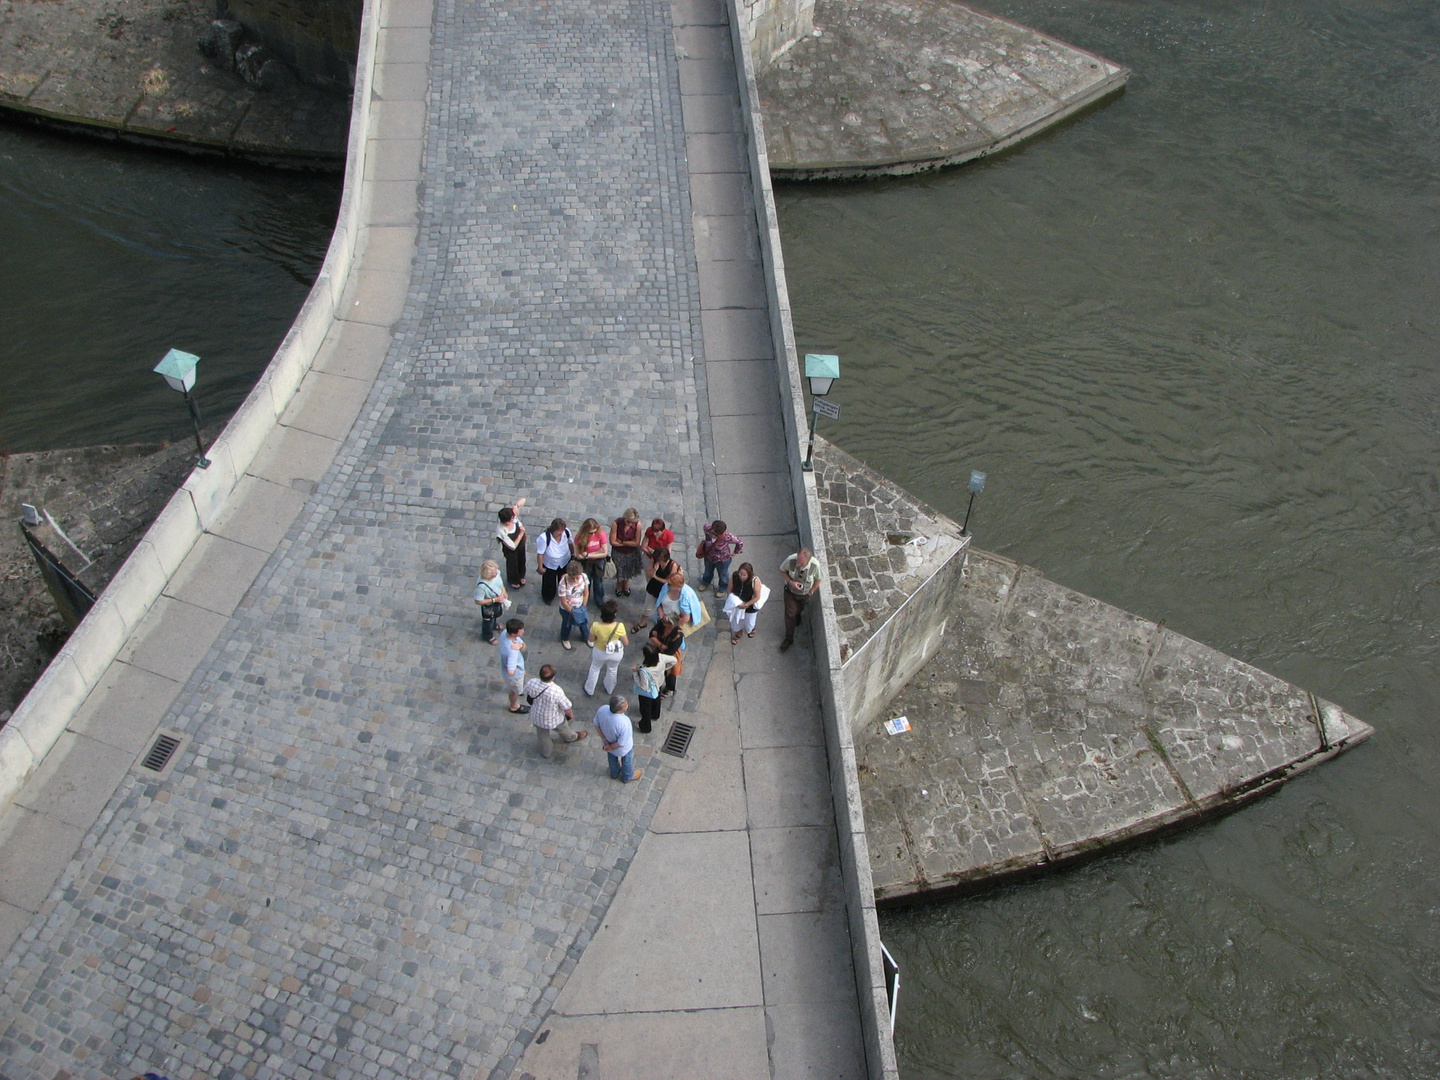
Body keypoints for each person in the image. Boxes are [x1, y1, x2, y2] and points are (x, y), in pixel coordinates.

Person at [525, 664, 587, 757]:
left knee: (542, 735)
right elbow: (566, 706)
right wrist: (570, 715)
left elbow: (526, 692)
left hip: (536, 716)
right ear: (553, 677)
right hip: (553, 718)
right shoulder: (556, 691)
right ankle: (571, 737)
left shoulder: (532, 682)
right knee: (563, 728)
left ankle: (546, 752)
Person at [778, 547, 825, 652]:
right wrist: (791, 582)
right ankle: (789, 638)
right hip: (790, 592)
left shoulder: (815, 565)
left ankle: (798, 615)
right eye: (798, 561)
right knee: (790, 614)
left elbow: (819, 578)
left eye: (802, 563)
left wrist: (812, 591)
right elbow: (782, 570)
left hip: (804, 594)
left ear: (808, 561)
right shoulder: (791, 560)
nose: (799, 564)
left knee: (799, 609)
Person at [593, 695, 642, 783]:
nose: (627, 706)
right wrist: (611, 747)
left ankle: (614, 773)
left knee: (612, 758)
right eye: (625, 706)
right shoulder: (624, 722)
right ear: (618, 710)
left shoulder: (603, 709)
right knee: (627, 760)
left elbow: (596, 724)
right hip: (622, 748)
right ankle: (627, 776)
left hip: (607, 743)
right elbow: (620, 743)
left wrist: (605, 741)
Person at [585, 600, 629, 696]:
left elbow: (591, 639)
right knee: (612, 670)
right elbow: (626, 642)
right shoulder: (620, 626)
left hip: (600, 651)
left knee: (595, 669)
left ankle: (590, 689)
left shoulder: (596, 626)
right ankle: (609, 689)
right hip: (615, 653)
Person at [632, 645, 676, 733]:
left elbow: (644, 686)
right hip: (659, 683)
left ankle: (645, 726)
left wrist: (635, 673)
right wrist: (665, 668)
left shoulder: (645, 670)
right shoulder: (661, 658)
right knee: (656, 699)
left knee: (645, 709)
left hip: (648, 692)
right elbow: (674, 660)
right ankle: (655, 714)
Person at [697, 519, 743, 598]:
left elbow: (740, 542)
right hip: (709, 557)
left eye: (717, 535)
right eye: (713, 533)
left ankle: (723, 588)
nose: (714, 536)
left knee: (723, 575)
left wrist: (735, 552)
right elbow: (705, 525)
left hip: (722, 560)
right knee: (707, 571)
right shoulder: (707, 528)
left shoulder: (727, 537)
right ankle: (705, 582)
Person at [637, 545, 679, 630]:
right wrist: (654, 570)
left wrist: (656, 577)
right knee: (648, 608)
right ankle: (642, 623)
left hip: (665, 590)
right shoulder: (654, 560)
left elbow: (670, 581)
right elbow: (649, 574)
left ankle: (662, 626)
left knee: (664, 610)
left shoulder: (672, 565)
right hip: (653, 588)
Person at [723, 562, 766, 645]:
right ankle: (739, 632)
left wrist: (746, 605)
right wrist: (734, 601)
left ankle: (751, 629)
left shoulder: (754, 580)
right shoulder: (735, 576)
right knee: (736, 621)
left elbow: (757, 597)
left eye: (744, 575)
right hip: (737, 604)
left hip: (750, 606)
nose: (741, 577)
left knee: (749, 623)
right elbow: (729, 590)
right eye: (740, 574)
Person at [535, 519, 574, 604]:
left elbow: (570, 543)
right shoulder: (544, 538)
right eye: (558, 531)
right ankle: (548, 597)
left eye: (562, 530)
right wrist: (540, 567)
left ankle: (564, 593)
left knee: (564, 579)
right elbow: (540, 553)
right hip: (550, 564)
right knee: (549, 582)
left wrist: (573, 555)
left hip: (564, 561)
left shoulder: (566, 532)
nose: (561, 533)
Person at [575, 517, 611, 605]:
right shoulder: (579, 537)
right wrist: (597, 552)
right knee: (586, 582)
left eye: (594, 532)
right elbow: (578, 555)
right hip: (585, 563)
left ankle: (599, 600)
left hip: (598, 562)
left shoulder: (601, 534)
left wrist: (588, 555)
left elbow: (604, 553)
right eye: (590, 533)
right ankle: (584, 599)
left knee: (598, 582)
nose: (593, 534)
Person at [557, 560, 590, 650]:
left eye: (577, 577)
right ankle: (565, 638)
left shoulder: (584, 577)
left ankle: (586, 637)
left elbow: (586, 593)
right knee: (567, 624)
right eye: (572, 578)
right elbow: (564, 601)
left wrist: (583, 606)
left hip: (580, 606)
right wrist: (573, 612)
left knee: (583, 623)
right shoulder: (563, 583)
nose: (575, 580)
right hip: (567, 609)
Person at [647, 616, 684, 697]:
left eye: (665, 623)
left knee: (670, 674)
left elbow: (669, 651)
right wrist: (661, 645)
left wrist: (656, 640)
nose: (663, 623)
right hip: (658, 651)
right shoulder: (662, 623)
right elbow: (651, 635)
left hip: (670, 656)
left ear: (672, 625)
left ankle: (669, 688)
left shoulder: (678, 635)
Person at [473, 559, 508, 645]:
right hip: (488, 606)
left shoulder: (496, 574)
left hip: (496, 602)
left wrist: (504, 592)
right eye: (493, 572)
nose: (496, 573)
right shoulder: (481, 587)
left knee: (495, 615)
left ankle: (494, 625)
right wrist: (494, 599)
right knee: (488, 621)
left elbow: (500, 584)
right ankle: (487, 635)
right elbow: (478, 601)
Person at [610, 508, 644, 597]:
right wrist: (629, 542)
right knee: (619, 569)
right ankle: (619, 584)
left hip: (631, 552)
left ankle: (626, 583)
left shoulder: (638, 525)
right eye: (628, 521)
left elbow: (636, 543)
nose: (630, 524)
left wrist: (622, 542)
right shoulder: (616, 523)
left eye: (632, 522)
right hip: (618, 552)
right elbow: (613, 542)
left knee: (628, 568)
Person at [499, 618, 529, 714]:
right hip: (515, 677)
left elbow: (523, 645)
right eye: (521, 631)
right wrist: (519, 670)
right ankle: (514, 706)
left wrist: (520, 646)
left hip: (505, 665)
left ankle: (519, 690)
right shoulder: (512, 651)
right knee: (514, 691)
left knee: (517, 688)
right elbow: (511, 671)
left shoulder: (505, 633)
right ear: (513, 633)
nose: (523, 632)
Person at [496, 498, 527, 588]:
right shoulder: (501, 531)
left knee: (521, 559)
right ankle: (513, 580)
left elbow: (523, 500)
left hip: (520, 544)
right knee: (512, 563)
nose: (514, 518)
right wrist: (521, 533)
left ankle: (521, 575)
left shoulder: (512, 517)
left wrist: (516, 506)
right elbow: (512, 546)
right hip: (510, 549)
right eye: (512, 518)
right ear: (506, 521)